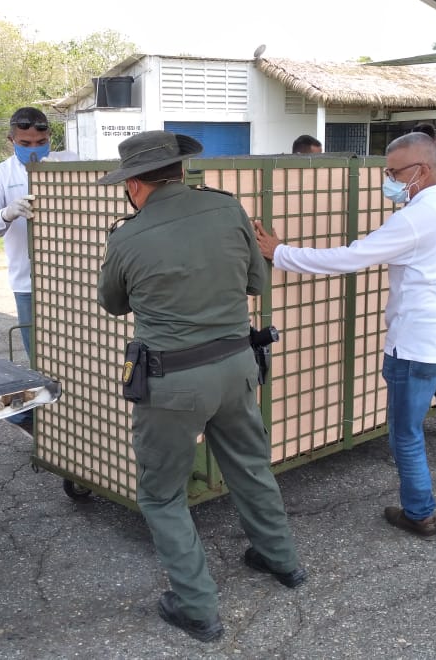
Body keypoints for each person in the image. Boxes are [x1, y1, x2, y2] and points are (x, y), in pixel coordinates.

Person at [97, 130, 305, 643]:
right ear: (180, 171)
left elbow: (113, 304)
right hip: (237, 365)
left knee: (162, 494)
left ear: (135, 186)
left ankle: (197, 608)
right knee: (251, 467)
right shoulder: (228, 210)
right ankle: (282, 562)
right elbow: (257, 282)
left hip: (171, 379)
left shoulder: (127, 235)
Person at [255, 131, 436, 539]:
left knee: (406, 431)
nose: (387, 179)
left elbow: (352, 257)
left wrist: (280, 252)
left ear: (421, 170)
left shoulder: (417, 217)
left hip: (416, 344)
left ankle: (420, 513)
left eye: (393, 172)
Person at [0, 107, 78, 428]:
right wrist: (7, 213)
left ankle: (79, 414)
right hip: (29, 282)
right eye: (26, 142)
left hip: (74, 277)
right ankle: (49, 422)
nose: (34, 149)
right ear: (11, 140)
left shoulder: (72, 163)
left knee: (79, 350)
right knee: (42, 356)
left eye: (41, 141)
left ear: (50, 138)